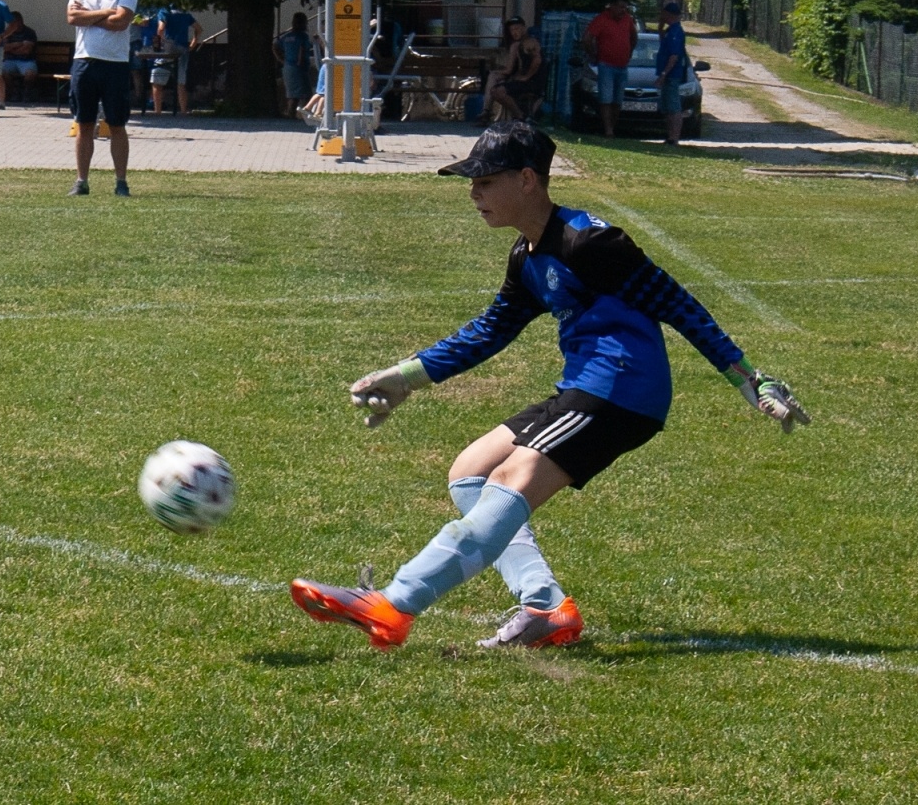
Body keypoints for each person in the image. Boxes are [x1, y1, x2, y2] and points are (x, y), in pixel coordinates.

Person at [290, 122, 809, 650]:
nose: (473, 193)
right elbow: (490, 330)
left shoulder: (590, 241)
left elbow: (677, 304)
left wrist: (748, 378)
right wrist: (404, 379)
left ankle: (395, 605)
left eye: (484, 182)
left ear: (526, 180)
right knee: (470, 472)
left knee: (512, 477)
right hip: (584, 388)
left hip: (622, 391)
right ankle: (544, 606)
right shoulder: (528, 255)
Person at [65, 0, 137, 196]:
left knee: (117, 124)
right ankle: (81, 181)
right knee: (84, 123)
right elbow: (73, 18)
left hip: (115, 64)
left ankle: (121, 182)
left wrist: (91, 15)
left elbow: (121, 22)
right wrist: (106, 11)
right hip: (85, 61)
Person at [581, 0, 639, 137]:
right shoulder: (601, 19)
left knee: (618, 99)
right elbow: (587, 38)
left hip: (622, 65)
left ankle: (612, 127)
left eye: (625, 8)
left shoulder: (627, 19)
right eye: (620, 7)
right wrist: (593, 54)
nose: (622, 10)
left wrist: (630, 51)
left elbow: (634, 36)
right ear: (611, 6)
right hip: (606, 65)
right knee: (606, 98)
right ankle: (608, 130)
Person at [483, 16, 545, 123]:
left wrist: (526, 77)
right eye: (511, 30)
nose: (514, 32)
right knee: (494, 78)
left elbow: (537, 60)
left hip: (532, 82)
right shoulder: (516, 45)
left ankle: (520, 117)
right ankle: (486, 111)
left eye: (517, 29)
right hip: (520, 79)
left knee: (497, 91)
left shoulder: (529, 42)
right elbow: (509, 70)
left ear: (524, 28)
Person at [153, 3, 203, 114]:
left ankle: (157, 111)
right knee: (181, 82)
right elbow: (199, 29)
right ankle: (183, 111)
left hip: (168, 49)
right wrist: (193, 43)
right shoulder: (186, 14)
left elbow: (161, 29)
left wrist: (161, 43)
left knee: (158, 80)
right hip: (183, 49)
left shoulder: (164, 12)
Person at [275, 11, 320, 118]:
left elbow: (275, 46)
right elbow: (302, 49)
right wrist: (300, 62)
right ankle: (305, 116)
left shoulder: (287, 37)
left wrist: (281, 59)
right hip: (299, 68)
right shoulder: (302, 36)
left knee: (292, 95)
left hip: (287, 67)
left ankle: (291, 115)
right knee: (306, 94)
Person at [656, 2, 688, 145]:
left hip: (671, 75)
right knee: (667, 106)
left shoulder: (675, 32)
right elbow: (663, 43)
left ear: (669, 14)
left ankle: (674, 137)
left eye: (663, 14)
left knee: (673, 107)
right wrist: (660, 28)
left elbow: (674, 56)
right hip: (667, 74)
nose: (661, 16)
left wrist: (664, 74)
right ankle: (670, 136)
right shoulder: (669, 30)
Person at [0, 10, 40, 102]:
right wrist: (20, 44)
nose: (11, 24)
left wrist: (12, 49)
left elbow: (27, 50)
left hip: (27, 60)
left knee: (30, 74)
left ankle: (26, 92)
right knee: (1, 72)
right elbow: (4, 48)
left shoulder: (29, 32)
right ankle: (14, 92)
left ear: (20, 21)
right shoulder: (7, 33)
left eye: (13, 22)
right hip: (10, 60)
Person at [129, 12, 156, 112]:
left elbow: (144, 23)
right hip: (122, 42)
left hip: (135, 41)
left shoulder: (137, 9)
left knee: (137, 71)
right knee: (123, 71)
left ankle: (138, 97)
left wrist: (139, 21)